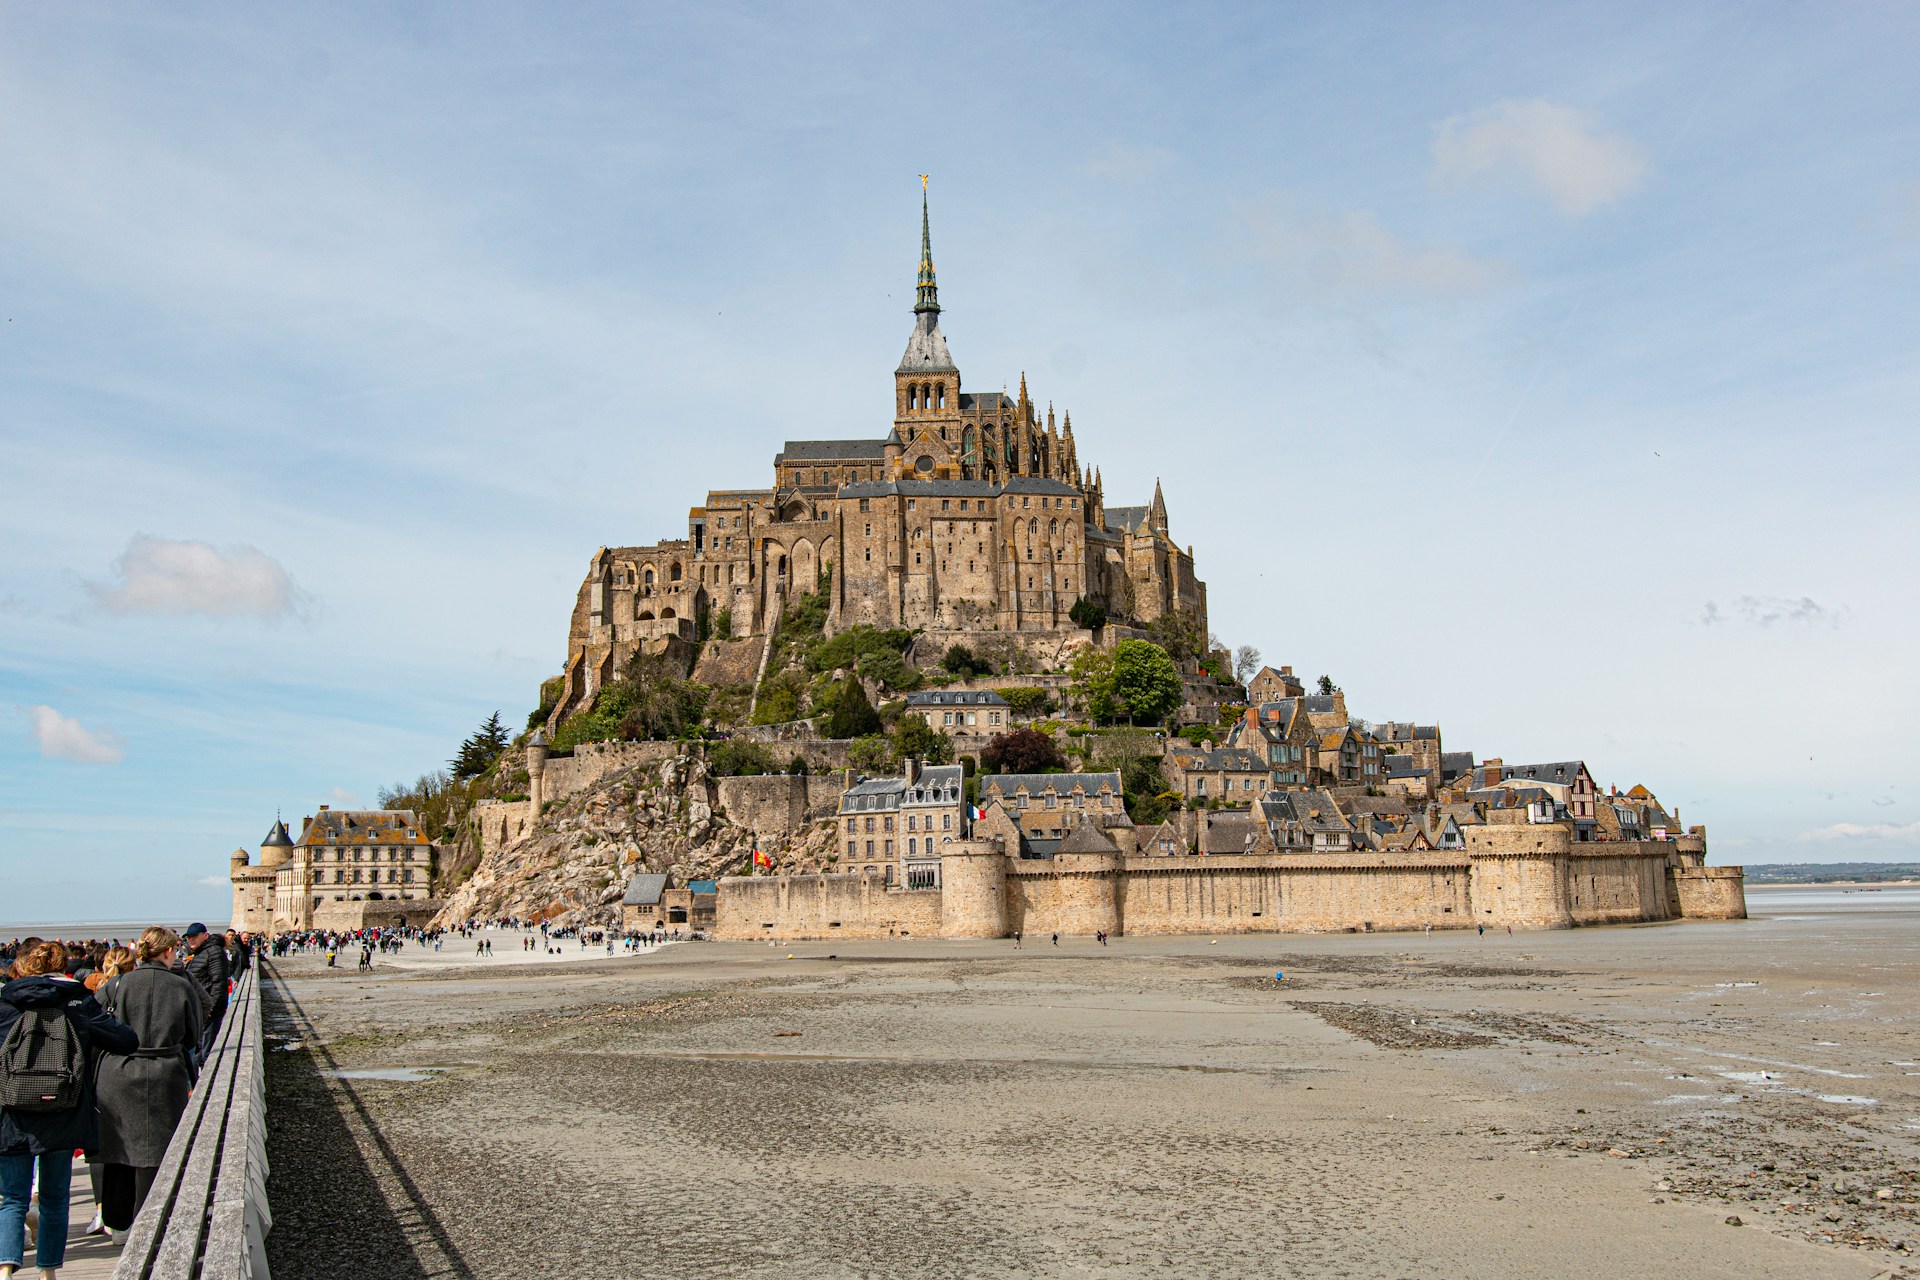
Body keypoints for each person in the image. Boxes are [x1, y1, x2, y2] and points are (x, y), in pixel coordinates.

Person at [1, 941, 137, 1277]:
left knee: (13, 1198)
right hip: (63, 1107)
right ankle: (48, 1272)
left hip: (12, 1110)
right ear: (61, 967)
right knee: (54, 1198)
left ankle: (5, 1270)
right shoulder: (77, 1002)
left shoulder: (5, 1004)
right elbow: (126, 1040)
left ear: (20, 967)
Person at [93, 928, 203, 1232]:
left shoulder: (117, 984)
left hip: (118, 1073)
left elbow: (95, 1025)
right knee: (160, 1153)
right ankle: (154, 1224)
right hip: (164, 1074)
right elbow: (194, 1035)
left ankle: (117, 1222)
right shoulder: (180, 987)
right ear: (168, 952)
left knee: (119, 1151)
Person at [179, 925, 228, 1059]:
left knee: (205, 1054)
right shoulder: (200, 953)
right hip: (199, 1011)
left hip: (209, 1012)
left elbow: (219, 983)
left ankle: (207, 1080)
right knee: (197, 1051)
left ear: (205, 936)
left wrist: (210, 1008)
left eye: (194, 936)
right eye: (188, 937)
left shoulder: (214, 952)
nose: (190, 940)